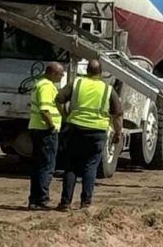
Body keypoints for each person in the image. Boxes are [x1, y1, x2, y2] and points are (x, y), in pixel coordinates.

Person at [55, 59, 123, 210]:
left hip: (75, 129)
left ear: (87, 71)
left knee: (71, 166)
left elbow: (58, 99)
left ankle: (65, 202)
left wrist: (65, 117)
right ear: (100, 73)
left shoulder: (77, 83)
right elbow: (117, 114)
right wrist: (117, 133)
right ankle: (86, 202)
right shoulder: (107, 89)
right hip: (97, 132)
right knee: (90, 167)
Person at [27, 61, 65, 210]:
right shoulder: (47, 87)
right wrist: (52, 127)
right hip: (45, 130)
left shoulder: (40, 83)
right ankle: (41, 199)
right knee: (46, 166)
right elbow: (44, 109)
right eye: (60, 74)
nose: (62, 77)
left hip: (37, 128)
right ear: (53, 73)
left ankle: (35, 199)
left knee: (38, 166)